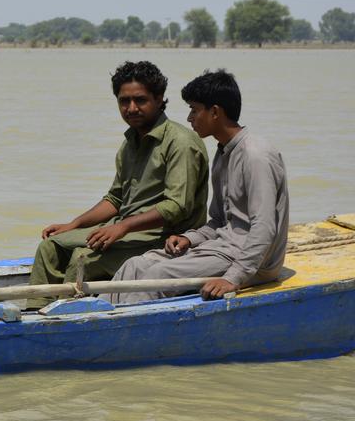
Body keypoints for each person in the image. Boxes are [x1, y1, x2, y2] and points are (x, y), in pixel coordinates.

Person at [26, 61, 209, 308]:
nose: (131, 108)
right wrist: (73, 225)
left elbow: (177, 207)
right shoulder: (130, 143)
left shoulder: (180, 143)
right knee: (50, 247)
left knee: (82, 258)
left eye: (140, 100)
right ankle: (36, 311)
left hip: (164, 238)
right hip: (126, 232)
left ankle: (66, 318)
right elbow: (115, 199)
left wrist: (122, 228)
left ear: (159, 99)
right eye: (124, 101)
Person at [106, 70, 289, 304]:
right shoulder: (224, 152)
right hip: (222, 247)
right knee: (135, 265)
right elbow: (218, 222)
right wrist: (189, 239)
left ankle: (125, 333)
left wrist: (234, 278)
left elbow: (264, 228)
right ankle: (94, 318)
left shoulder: (256, 156)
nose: (190, 118)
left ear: (214, 112)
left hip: (251, 261)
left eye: (194, 110)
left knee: (157, 275)